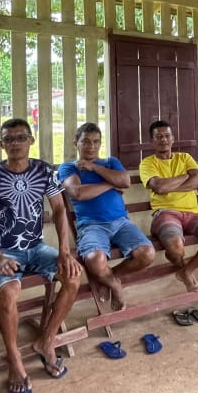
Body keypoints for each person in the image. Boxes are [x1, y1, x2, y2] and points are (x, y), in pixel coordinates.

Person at [0, 118, 82, 393]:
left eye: (21, 138)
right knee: (9, 292)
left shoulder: (44, 170)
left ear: (31, 141)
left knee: (73, 275)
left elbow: (58, 210)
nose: (16, 144)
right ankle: (14, 359)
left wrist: (65, 250)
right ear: (1, 144)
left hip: (37, 247)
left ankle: (47, 341)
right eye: (9, 139)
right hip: (3, 253)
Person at [58, 123, 155, 311]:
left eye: (96, 142)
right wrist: (111, 184)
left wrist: (94, 168)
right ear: (75, 143)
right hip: (91, 225)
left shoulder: (110, 162)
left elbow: (125, 181)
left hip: (121, 223)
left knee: (147, 254)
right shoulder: (68, 167)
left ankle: (109, 279)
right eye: (85, 142)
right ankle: (116, 287)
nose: (91, 146)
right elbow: (78, 193)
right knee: (95, 259)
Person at [139, 120, 198, 292]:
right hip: (166, 213)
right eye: (159, 137)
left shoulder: (185, 158)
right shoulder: (147, 163)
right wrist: (184, 176)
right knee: (175, 247)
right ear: (152, 141)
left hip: (193, 213)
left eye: (167, 136)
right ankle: (181, 264)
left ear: (173, 139)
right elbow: (159, 187)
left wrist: (170, 186)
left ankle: (186, 271)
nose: (163, 140)